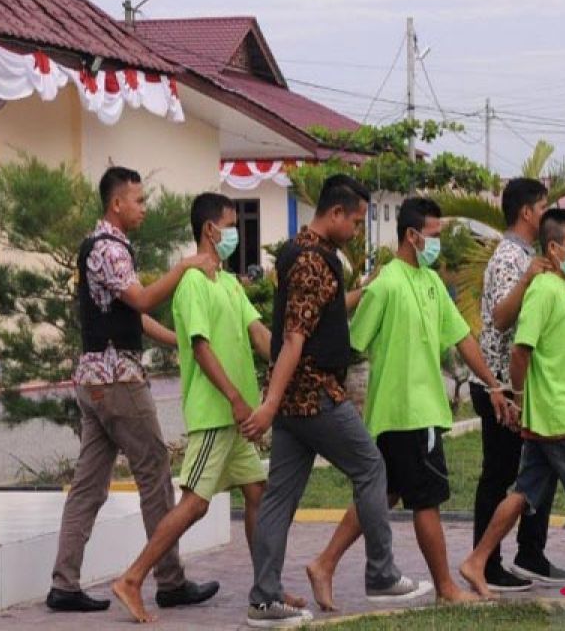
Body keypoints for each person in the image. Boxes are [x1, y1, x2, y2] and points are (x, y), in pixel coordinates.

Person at [307, 197, 513, 609]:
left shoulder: (433, 283)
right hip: (406, 412)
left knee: (383, 494)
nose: (438, 243)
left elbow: (463, 338)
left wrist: (493, 384)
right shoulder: (385, 283)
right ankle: (446, 588)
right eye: (434, 235)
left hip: (415, 411)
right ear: (412, 236)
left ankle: (324, 563)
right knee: (427, 499)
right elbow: (353, 342)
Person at [242, 175, 426, 629]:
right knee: (372, 468)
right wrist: (269, 403)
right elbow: (293, 339)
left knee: (279, 499)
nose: (359, 229)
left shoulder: (300, 253)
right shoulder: (312, 262)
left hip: (295, 402)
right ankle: (381, 574)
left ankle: (264, 600)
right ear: (336, 213)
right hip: (315, 395)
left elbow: (319, 311)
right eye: (358, 220)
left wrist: (365, 291)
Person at [111, 193, 305, 622]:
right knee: (196, 504)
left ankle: (266, 588)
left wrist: (293, 358)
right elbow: (199, 347)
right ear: (210, 230)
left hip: (238, 420)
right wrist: (235, 398)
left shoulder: (229, 283)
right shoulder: (193, 284)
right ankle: (132, 578)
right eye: (230, 225)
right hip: (216, 415)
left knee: (258, 494)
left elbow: (257, 334)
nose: (236, 233)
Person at [47, 167, 218, 613]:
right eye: (138, 201)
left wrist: (176, 342)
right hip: (118, 381)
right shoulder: (110, 249)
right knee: (155, 471)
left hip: (93, 381)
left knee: (88, 486)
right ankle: (170, 580)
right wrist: (183, 266)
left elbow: (131, 315)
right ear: (116, 203)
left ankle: (63, 584)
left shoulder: (104, 247)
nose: (144, 207)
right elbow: (142, 300)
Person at [460, 209, 565, 598]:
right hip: (558, 418)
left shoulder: (562, 289)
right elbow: (519, 351)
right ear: (554, 248)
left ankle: (477, 561)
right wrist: (523, 400)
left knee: (523, 492)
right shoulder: (543, 290)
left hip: (554, 416)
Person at [472, 177, 565, 591]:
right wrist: (528, 278)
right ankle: (486, 561)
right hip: (500, 386)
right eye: (544, 207)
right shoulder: (510, 257)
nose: (549, 214)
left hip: (524, 383)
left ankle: (531, 551)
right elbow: (501, 318)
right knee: (500, 474)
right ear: (527, 212)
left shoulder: (529, 254)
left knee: (540, 469)